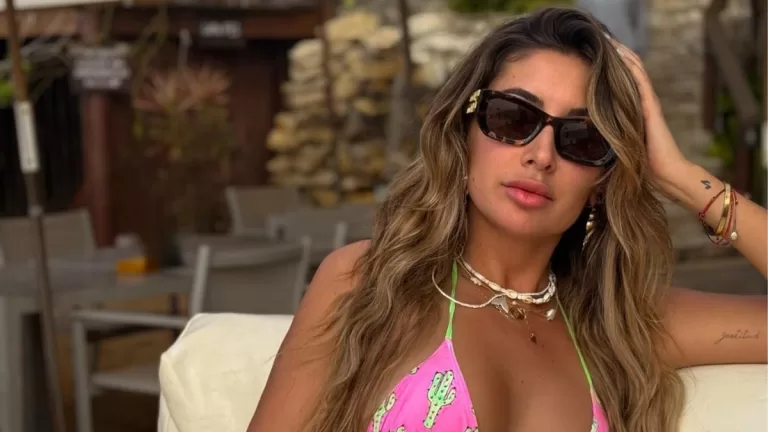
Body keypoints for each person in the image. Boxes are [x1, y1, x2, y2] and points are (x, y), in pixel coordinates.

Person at [249, 7, 767, 432]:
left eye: (582, 139)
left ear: (602, 181)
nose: (541, 155)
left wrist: (679, 177)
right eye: (513, 117)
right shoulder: (367, 284)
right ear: (465, 132)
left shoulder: (620, 324)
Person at [575, 0, 648, 57]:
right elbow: (582, 19)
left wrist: (640, 46)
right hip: (598, 48)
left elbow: (638, 18)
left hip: (625, 47)